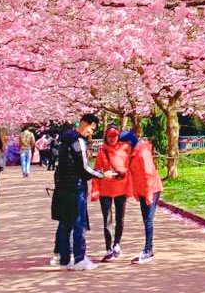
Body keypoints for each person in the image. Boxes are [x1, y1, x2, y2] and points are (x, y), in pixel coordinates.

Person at [50, 113, 110, 271]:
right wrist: (103, 175)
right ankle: (79, 258)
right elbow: (84, 167)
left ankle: (65, 260)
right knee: (78, 223)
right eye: (91, 128)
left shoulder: (65, 141)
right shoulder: (78, 141)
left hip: (62, 187)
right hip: (75, 188)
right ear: (84, 123)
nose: (92, 132)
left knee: (65, 224)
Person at [122, 128, 162, 264]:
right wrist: (136, 191)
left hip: (151, 189)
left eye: (124, 144)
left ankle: (148, 250)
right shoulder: (134, 152)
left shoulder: (142, 152)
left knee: (148, 220)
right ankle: (148, 249)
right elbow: (133, 174)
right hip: (143, 190)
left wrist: (148, 194)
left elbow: (148, 174)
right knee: (146, 219)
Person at [90, 127, 131, 262]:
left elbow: (130, 168)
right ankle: (108, 248)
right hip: (105, 189)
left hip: (121, 188)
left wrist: (123, 172)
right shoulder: (102, 153)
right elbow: (96, 172)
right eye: (110, 136)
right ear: (106, 137)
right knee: (107, 219)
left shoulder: (125, 150)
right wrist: (95, 189)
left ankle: (117, 244)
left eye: (115, 136)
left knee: (120, 218)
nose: (112, 138)